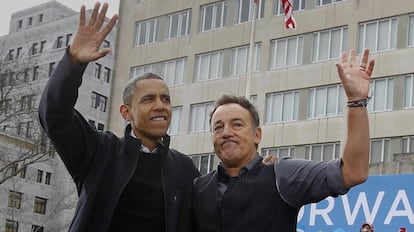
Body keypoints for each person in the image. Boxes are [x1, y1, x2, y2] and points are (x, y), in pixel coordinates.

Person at [38, 2, 200, 232]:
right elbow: (54, 115)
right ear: (126, 112)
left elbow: (219, 205)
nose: (160, 106)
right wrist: (73, 63)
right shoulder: (100, 152)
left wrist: (266, 170)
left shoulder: (185, 169)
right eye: (148, 99)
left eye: (165, 99)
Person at [192, 48, 375, 231]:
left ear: (257, 135)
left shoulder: (282, 174)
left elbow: (353, 172)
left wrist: (356, 101)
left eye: (237, 124)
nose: (226, 132)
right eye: (218, 127)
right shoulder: (198, 188)